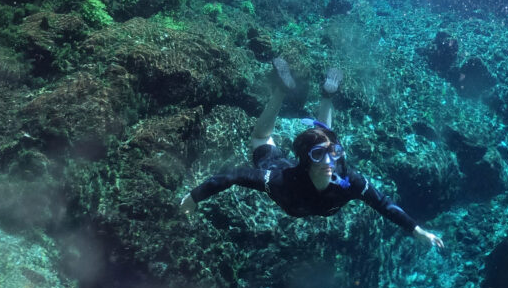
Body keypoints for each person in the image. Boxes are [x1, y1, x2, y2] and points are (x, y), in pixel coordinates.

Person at [179, 58, 445, 249]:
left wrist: (416, 230)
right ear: (305, 161)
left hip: (295, 174)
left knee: (314, 138)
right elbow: (234, 175)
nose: (330, 162)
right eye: (319, 156)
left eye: (334, 154)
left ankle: (307, 93)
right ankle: (292, 93)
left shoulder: (349, 179)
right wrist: (194, 197)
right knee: (261, 139)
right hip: (279, 165)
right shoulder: (280, 180)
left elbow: (385, 205)